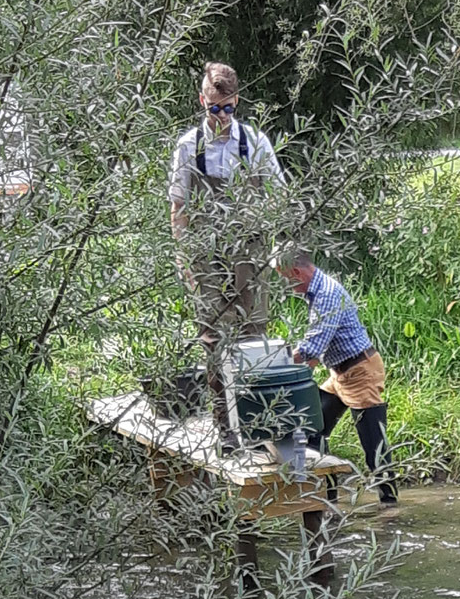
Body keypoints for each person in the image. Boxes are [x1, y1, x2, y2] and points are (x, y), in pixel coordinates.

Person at [168, 62, 284, 440]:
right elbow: (179, 209)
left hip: (249, 254)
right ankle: (226, 431)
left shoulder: (255, 142)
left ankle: (257, 426)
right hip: (206, 256)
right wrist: (184, 257)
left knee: (254, 337)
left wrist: (276, 243)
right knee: (214, 340)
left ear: (237, 102)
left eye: (228, 108)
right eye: (214, 109)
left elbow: (279, 197)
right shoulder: (189, 146)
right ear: (202, 101)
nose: (221, 117)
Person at [277, 248, 397, 507]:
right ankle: (328, 498)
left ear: (297, 272)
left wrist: (273, 359)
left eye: (286, 279)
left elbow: (313, 346)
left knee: (374, 446)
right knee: (312, 430)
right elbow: (316, 352)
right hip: (340, 373)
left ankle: (390, 505)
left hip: (360, 372)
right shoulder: (317, 290)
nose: (287, 286)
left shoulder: (327, 295)